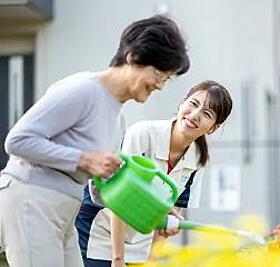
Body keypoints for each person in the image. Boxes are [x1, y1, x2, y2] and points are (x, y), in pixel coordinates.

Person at [0, 15, 189, 267]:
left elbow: (103, 190)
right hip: (33, 199)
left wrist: (155, 209)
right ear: (132, 57)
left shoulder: (118, 118)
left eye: (165, 78)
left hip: (66, 212)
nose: (159, 84)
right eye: (158, 73)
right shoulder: (83, 90)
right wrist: (84, 159)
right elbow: (18, 140)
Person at [75, 80, 233, 267]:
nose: (195, 115)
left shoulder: (198, 159)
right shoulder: (143, 134)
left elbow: (169, 215)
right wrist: (118, 260)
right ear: (182, 102)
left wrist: (154, 260)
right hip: (101, 232)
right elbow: (118, 200)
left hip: (140, 243)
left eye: (207, 114)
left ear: (213, 127)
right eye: (193, 104)